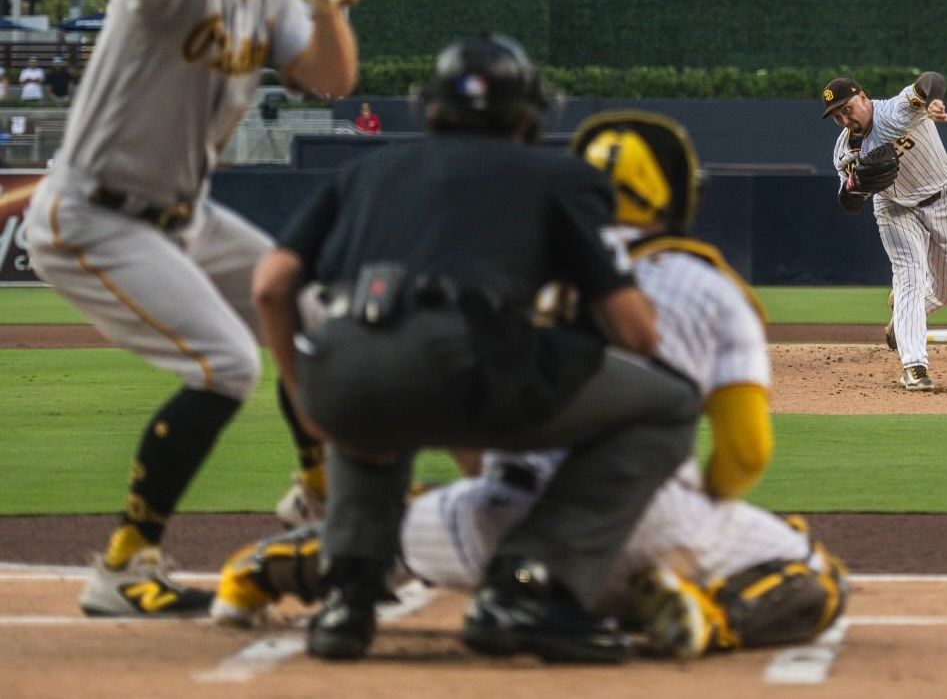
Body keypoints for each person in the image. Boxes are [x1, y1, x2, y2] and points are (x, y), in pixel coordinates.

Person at [214, 111, 847, 659]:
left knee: (401, 517)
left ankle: (278, 565)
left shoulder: (511, 269)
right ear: (676, 196)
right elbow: (743, 453)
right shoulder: (709, 287)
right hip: (650, 527)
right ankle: (704, 614)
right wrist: (711, 510)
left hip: (483, 525)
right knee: (812, 572)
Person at [252, 34, 699, 663]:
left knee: (372, 388)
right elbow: (637, 333)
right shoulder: (560, 175)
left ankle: (345, 601)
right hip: (470, 362)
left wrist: (304, 394)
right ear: (527, 113)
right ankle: (528, 585)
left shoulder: (364, 171)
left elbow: (271, 286)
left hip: (342, 366)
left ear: (429, 108)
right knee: (670, 404)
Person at [24, 0, 360, 619]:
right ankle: (122, 566)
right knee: (226, 365)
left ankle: (317, 494)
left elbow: (333, 80)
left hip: (186, 215)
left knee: (307, 314)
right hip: (95, 214)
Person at [821, 75, 947, 391]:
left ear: (862, 97)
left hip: (943, 198)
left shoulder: (897, 110)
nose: (845, 118)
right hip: (894, 209)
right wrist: (856, 187)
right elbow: (849, 204)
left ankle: (900, 316)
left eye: (846, 108)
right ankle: (914, 366)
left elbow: (931, 80)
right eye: (837, 116)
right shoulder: (846, 150)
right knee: (910, 276)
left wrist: (933, 101)